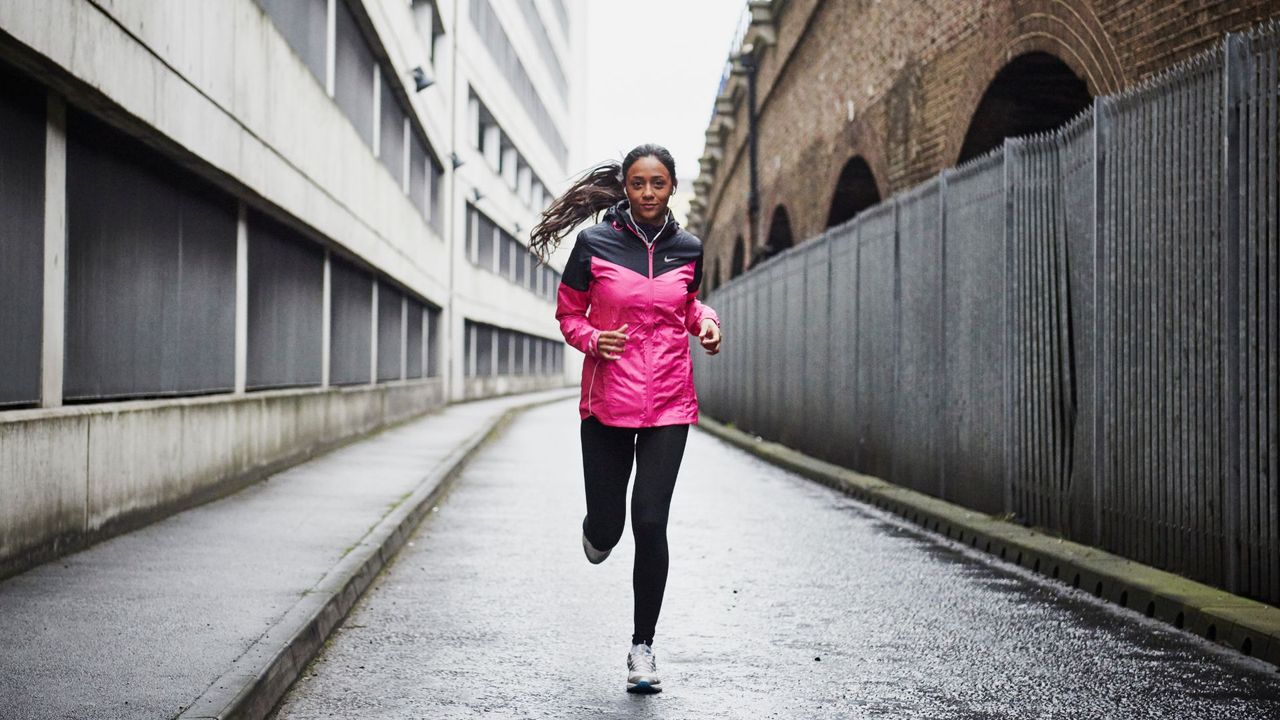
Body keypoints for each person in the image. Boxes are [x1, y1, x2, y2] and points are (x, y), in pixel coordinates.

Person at [530, 143, 721, 694]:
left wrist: (705, 322)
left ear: (671, 187)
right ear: (626, 186)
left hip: (668, 404)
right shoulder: (594, 244)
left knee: (651, 521)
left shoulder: (688, 247)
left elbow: (687, 305)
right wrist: (593, 338)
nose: (647, 193)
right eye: (638, 183)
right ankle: (595, 531)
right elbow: (569, 312)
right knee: (610, 527)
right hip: (608, 403)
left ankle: (643, 648)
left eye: (657, 183)